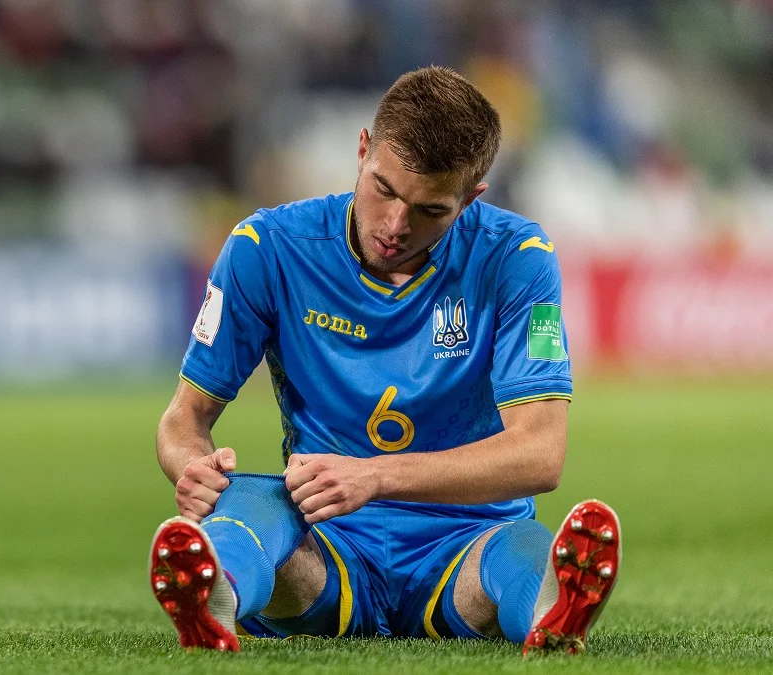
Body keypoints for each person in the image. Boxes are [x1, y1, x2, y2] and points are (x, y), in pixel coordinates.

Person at [149, 66, 620, 655]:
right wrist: (192, 467)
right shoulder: (267, 249)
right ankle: (216, 593)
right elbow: (183, 419)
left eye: (430, 210)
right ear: (363, 150)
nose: (396, 226)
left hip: (467, 545)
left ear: (471, 199)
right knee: (252, 502)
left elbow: (541, 454)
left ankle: (552, 614)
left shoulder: (516, 257)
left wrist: (374, 476)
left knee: (524, 547)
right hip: (324, 543)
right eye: (385, 190)